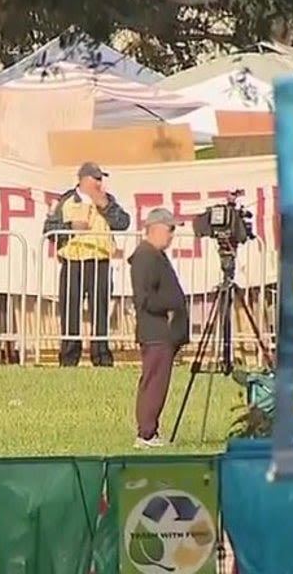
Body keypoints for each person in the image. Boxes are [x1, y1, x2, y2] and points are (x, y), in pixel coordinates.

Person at [43, 161, 132, 367]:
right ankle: (69, 357)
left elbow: (123, 222)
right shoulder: (66, 201)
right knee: (70, 310)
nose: (100, 184)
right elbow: (49, 230)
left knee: (100, 311)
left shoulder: (107, 201)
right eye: (96, 179)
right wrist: (69, 228)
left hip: (99, 261)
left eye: (102, 179)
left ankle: (101, 356)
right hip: (73, 262)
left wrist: (106, 207)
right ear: (83, 179)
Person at [128, 208, 189, 448]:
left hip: (164, 331)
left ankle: (150, 430)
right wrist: (171, 308)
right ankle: (146, 433)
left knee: (157, 382)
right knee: (154, 382)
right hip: (156, 331)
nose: (172, 235)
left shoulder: (154, 255)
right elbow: (143, 298)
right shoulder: (145, 256)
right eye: (169, 229)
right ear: (154, 228)